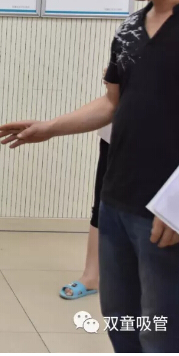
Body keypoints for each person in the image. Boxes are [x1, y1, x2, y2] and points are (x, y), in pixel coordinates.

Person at [0, 0, 179, 352]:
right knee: (122, 323)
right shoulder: (131, 28)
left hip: (170, 216)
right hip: (116, 200)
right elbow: (113, 103)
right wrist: (49, 128)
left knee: (166, 334)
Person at [59, 124, 110, 300]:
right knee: (103, 203)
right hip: (117, 132)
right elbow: (106, 108)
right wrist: (50, 128)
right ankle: (91, 276)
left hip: (162, 139)